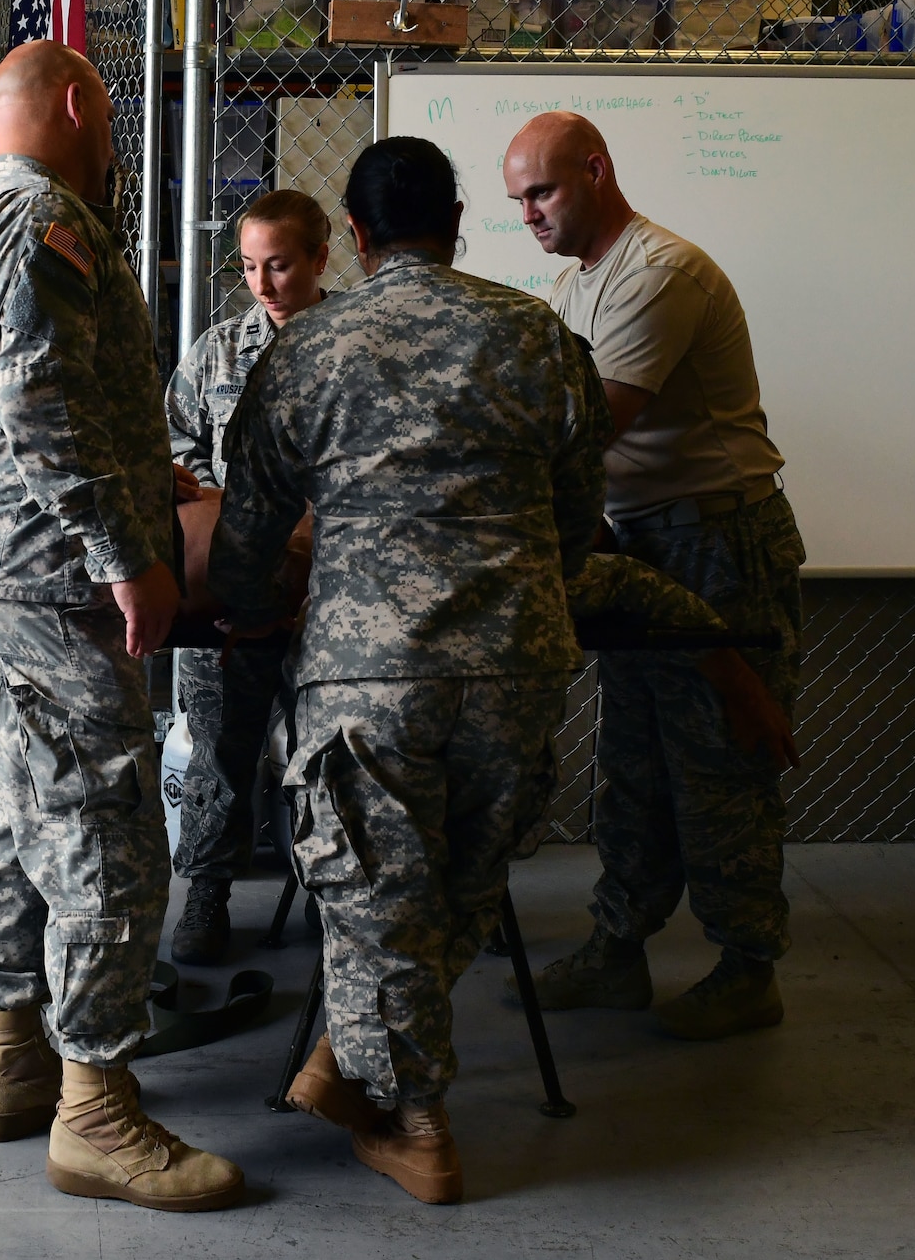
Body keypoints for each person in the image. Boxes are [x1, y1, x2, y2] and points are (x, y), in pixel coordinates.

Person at [204, 135, 611, 1204]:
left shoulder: (310, 348)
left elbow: (247, 528)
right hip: (515, 662)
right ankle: (347, 1060)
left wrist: (251, 612)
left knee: (377, 898)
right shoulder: (538, 336)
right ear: (459, 220)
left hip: (364, 675)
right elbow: (579, 522)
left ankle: (416, 1122)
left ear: (354, 234)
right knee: (460, 883)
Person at [0, 40, 242, 1213]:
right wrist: (127, 556)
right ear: (73, 105)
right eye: (108, 118)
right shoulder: (43, 223)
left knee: (11, 817)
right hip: (51, 576)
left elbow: (45, 399)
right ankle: (96, 1112)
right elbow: (36, 396)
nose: (113, 144)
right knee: (105, 828)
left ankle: (13, 1063)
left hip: (1, 572)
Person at [502, 111, 804, 1041]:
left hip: (716, 545)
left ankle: (749, 966)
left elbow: (585, 429)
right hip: (635, 544)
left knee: (718, 758)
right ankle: (617, 950)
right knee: (631, 759)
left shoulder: (659, 272)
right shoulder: (573, 285)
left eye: (543, 192)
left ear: (596, 170)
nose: (530, 215)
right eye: (518, 200)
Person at [164, 188, 332, 966]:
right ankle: (207, 891)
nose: (263, 284)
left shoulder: (350, 350)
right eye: (250, 267)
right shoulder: (219, 351)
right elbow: (176, 445)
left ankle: (337, 894)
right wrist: (213, 504)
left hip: (329, 597)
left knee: (333, 752)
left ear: (322, 259)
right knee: (219, 750)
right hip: (229, 595)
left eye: (281, 266)